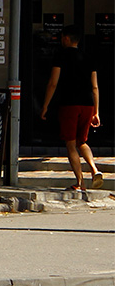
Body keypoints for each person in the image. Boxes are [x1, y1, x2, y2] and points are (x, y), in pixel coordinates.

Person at [39, 25, 102, 191]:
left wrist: (45, 105)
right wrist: (96, 111)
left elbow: (53, 82)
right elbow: (95, 87)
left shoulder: (61, 55)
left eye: (62, 37)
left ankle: (80, 183)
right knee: (83, 141)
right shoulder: (88, 57)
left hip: (69, 104)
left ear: (66, 38)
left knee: (71, 143)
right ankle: (95, 169)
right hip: (87, 104)